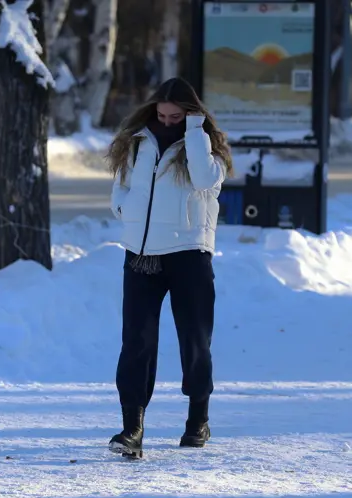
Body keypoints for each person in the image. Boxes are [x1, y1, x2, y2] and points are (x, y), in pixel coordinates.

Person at [105, 77, 235, 459]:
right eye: (161, 114)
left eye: (176, 116)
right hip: (141, 254)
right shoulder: (138, 142)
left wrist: (194, 130)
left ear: (191, 114)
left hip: (188, 254)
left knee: (194, 341)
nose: (166, 121)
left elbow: (203, 179)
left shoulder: (206, 149)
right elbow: (121, 187)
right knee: (137, 342)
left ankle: (198, 421)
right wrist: (124, 210)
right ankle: (132, 428)